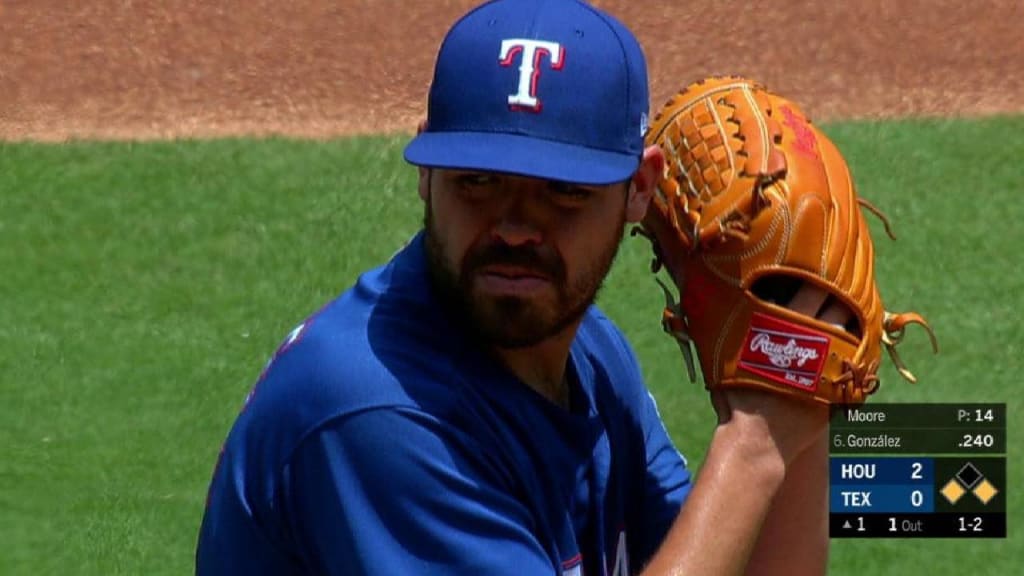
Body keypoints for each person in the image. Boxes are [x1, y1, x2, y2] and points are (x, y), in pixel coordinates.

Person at [196, 1, 834, 574]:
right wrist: (752, 448)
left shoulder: (590, 352)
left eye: (564, 192)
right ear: (428, 172)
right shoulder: (378, 413)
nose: (516, 228)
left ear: (640, 188)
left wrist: (797, 395)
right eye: (479, 182)